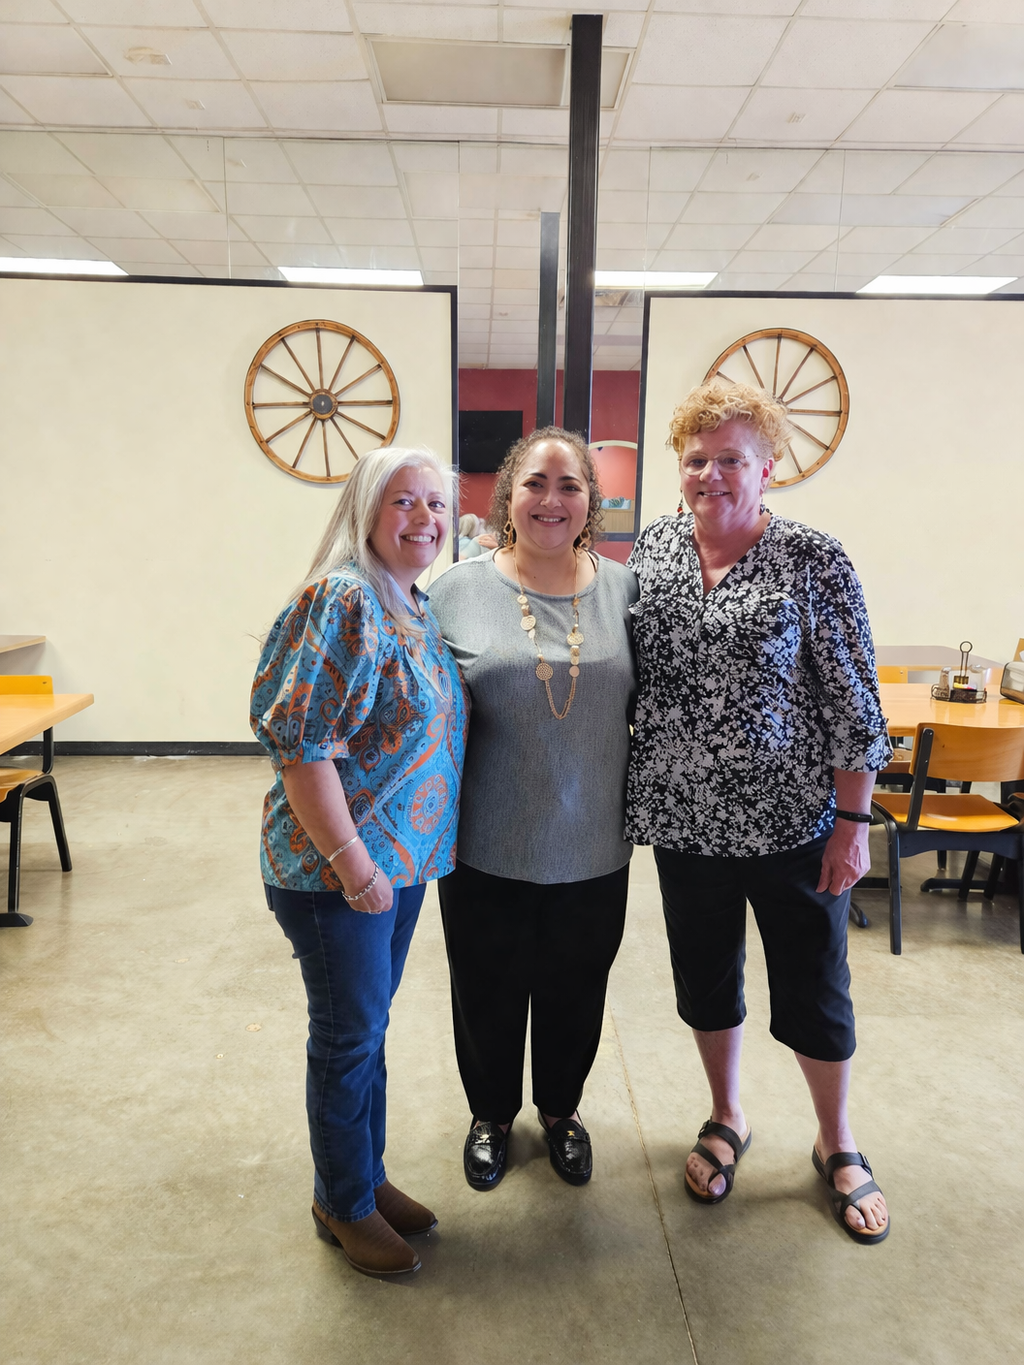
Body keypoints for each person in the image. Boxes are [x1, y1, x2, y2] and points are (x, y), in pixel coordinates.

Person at [626, 382, 893, 1245]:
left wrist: (853, 824)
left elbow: (854, 702)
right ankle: (726, 1113)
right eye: (696, 459)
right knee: (706, 979)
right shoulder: (656, 550)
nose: (710, 474)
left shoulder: (815, 560)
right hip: (685, 823)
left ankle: (837, 1140)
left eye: (730, 459)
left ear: (767, 468)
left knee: (815, 985)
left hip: (795, 825)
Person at [250, 446, 467, 1278]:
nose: (425, 520)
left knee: (367, 1033)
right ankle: (340, 1202)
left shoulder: (409, 601)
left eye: (437, 506)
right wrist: (353, 863)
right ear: (367, 509)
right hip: (334, 873)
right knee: (347, 1038)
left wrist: (388, 866)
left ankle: (364, 1178)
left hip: (398, 864)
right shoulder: (343, 599)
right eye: (405, 502)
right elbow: (302, 749)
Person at [429, 426, 639, 1191]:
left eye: (570, 485)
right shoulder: (454, 588)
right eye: (536, 484)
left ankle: (560, 1110)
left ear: (590, 501)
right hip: (485, 840)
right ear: (508, 497)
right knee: (484, 982)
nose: (552, 500)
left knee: (577, 984)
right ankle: (489, 1113)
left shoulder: (625, 588)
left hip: (593, 841)